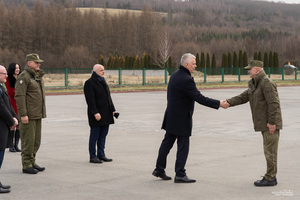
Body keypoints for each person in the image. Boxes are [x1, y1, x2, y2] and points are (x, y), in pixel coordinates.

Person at [152, 53, 229, 183]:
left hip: (171, 116)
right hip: (181, 118)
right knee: (183, 145)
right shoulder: (186, 79)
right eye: (193, 63)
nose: (196, 65)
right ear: (186, 64)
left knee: (167, 143)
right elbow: (199, 98)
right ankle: (180, 174)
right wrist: (218, 104)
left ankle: (159, 169)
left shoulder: (175, 75)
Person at [226, 60, 282, 187]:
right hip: (264, 123)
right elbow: (243, 97)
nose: (248, 72)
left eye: (249, 69)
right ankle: (270, 176)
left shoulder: (266, 83)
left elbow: (274, 104)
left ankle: (270, 178)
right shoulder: (255, 84)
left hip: (270, 124)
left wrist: (272, 122)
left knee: (270, 151)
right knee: (268, 150)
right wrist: (228, 102)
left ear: (257, 69)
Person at [15, 53, 46, 174]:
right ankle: (26, 164)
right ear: (29, 63)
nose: (39, 64)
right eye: (36, 62)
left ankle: (32, 161)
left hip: (37, 114)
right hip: (28, 115)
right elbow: (20, 96)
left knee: (36, 141)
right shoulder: (24, 77)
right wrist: (23, 114)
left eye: (39, 62)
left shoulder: (37, 76)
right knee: (28, 141)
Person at [84, 64, 117, 164]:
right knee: (95, 135)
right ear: (95, 71)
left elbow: (108, 97)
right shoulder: (89, 83)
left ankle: (101, 154)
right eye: (101, 70)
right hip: (97, 114)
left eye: (104, 70)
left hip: (106, 113)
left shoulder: (103, 81)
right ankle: (92, 156)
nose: (103, 72)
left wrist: (113, 109)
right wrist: (95, 112)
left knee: (103, 135)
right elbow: (90, 100)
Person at [0, 65, 18, 193]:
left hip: (3, 126)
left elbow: (8, 105)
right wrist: (11, 121)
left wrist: (14, 117)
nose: (6, 76)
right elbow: (1, 107)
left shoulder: (1, 87)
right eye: (4, 74)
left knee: (1, 155)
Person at [4, 63, 21, 152]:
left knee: (19, 126)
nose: (18, 69)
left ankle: (16, 145)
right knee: (13, 124)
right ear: (12, 69)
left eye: (18, 68)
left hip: (20, 104)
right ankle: (10, 146)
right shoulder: (7, 79)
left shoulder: (20, 78)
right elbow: (11, 91)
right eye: (16, 68)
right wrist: (21, 93)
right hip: (12, 103)